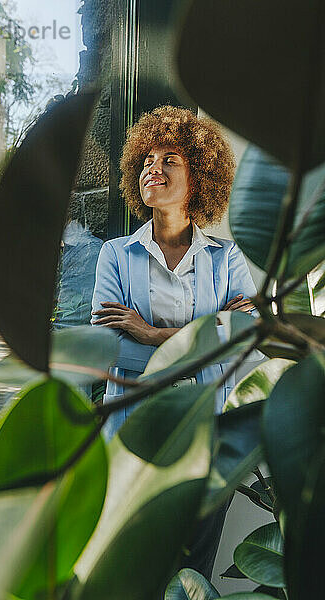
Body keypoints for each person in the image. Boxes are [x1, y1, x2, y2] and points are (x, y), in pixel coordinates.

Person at [90, 105, 259, 580]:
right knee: (129, 577)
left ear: (200, 177)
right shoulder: (116, 256)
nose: (154, 168)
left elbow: (249, 339)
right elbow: (107, 349)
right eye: (147, 159)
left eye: (170, 159)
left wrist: (151, 333)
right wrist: (208, 334)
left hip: (207, 446)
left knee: (192, 577)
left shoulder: (226, 259)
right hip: (131, 444)